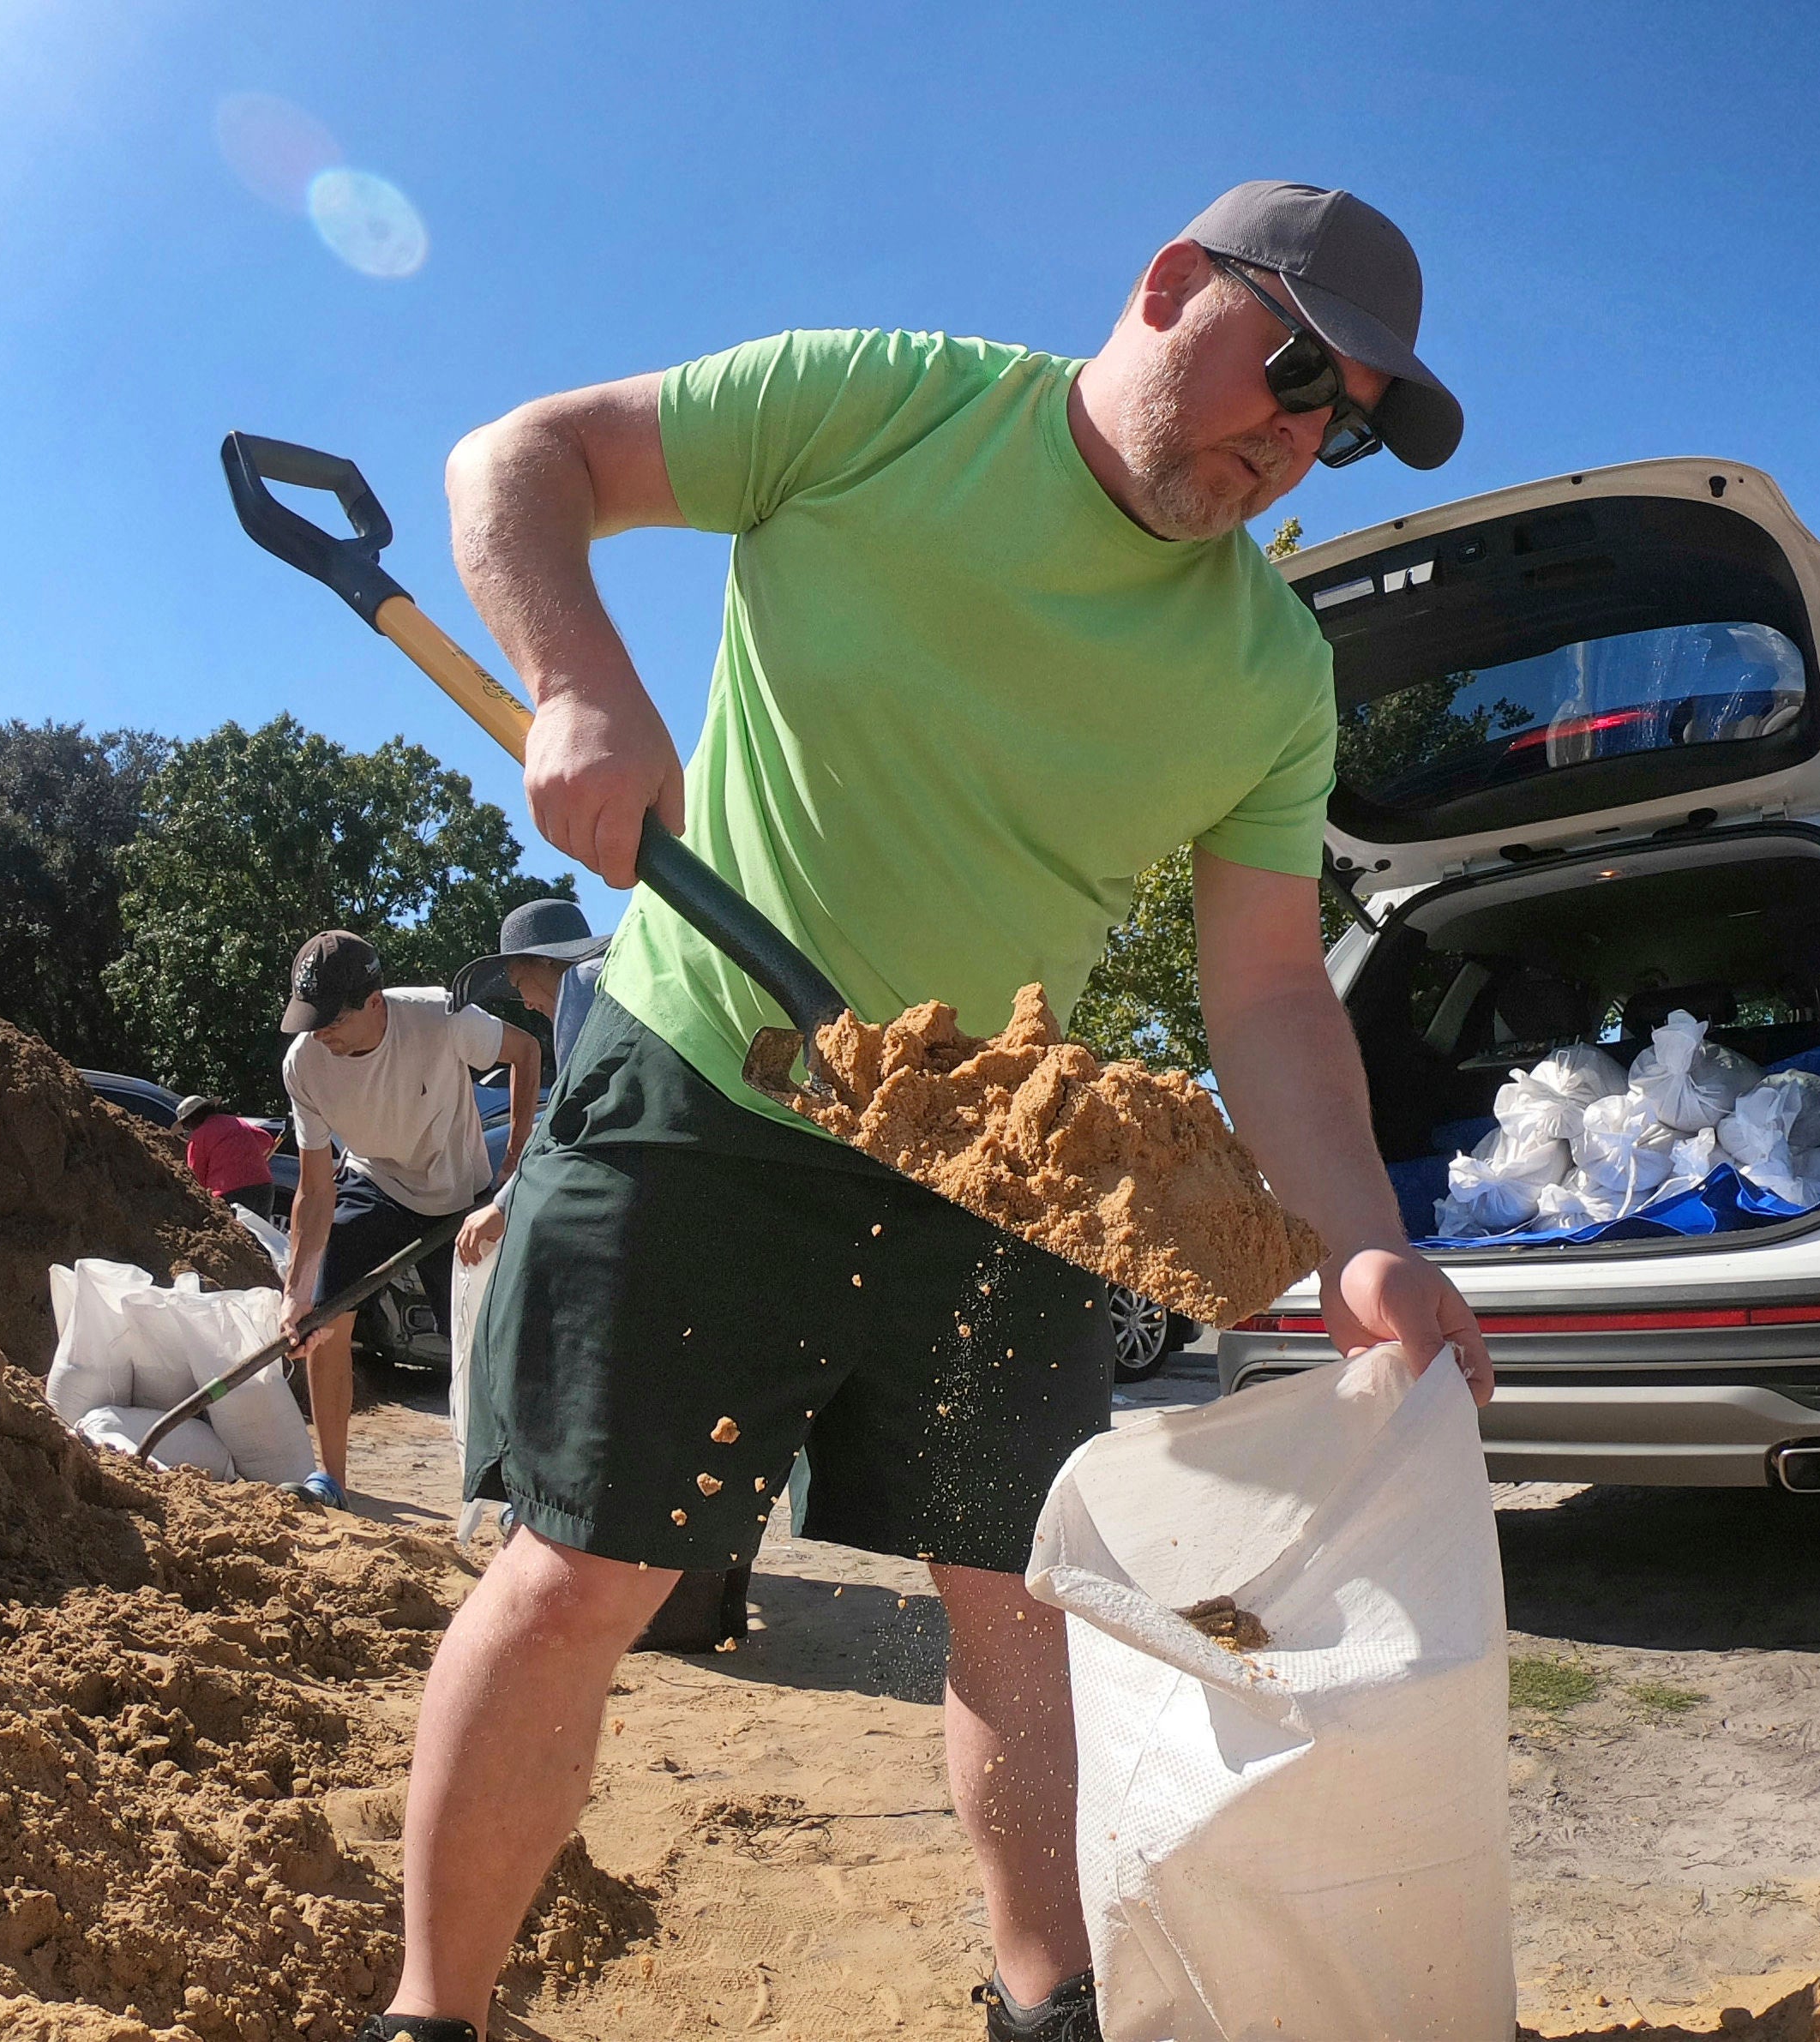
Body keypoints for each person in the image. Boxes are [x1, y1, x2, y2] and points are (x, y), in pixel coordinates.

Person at [361, 182, 1493, 2042]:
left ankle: (1044, 1996)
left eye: (1346, 421)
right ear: (1165, 288)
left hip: (1004, 1158)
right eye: (1294, 367)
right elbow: (523, 457)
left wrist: (1365, 1246)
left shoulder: (1270, 672)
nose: (1302, 435)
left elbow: (1269, 993)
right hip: (704, 1087)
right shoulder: (884, 405)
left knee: (1019, 1599)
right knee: (585, 1578)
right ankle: (436, 2014)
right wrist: (576, 686)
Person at [276, 929, 539, 1510]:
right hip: (373, 1185)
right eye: (310, 1021)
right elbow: (316, 1190)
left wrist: (516, 1159)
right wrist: (297, 1289)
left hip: (458, 1196)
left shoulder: (439, 1017)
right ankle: (333, 1480)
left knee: (486, 1346)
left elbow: (525, 1050)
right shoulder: (306, 1065)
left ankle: (516, 1497)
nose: (320, 1034)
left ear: (374, 1003)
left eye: (331, 1022)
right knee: (325, 1318)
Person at [453, 896, 610, 1072]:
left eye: (519, 984)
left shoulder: (583, 981)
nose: (527, 1004)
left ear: (545, 959)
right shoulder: (611, 983)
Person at [173, 1094, 282, 1220]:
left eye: (186, 1126)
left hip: (230, 1192)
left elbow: (196, 1175)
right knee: (260, 1236)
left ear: (193, 1119)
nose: (188, 1130)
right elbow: (266, 1140)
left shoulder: (199, 1136)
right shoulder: (237, 1122)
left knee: (235, 1236)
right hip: (263, 1186)